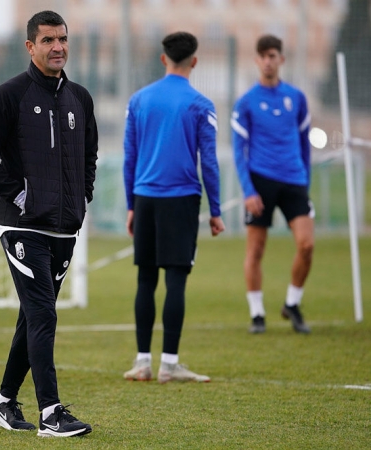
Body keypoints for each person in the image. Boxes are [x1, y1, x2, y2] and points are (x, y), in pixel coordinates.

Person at [0, 10, 98, 437]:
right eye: (48, 40)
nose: (58, 46)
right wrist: (22, 195)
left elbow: (88, 157)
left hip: (64, 228)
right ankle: (51, 414)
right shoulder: (8, 96)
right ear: (31, 47)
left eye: (62, 39)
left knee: (33, 316)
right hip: (23, 227)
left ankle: (3, 402)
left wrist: (82, 197)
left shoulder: (81, 97)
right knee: (44, 315)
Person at [123, 31, 225, 384]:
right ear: (194, 61)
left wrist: (130, 204)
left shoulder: (138, 100)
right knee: (176, 281)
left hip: (145, 198)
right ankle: (169, 364)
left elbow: (130, 157)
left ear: (163, 58)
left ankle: (141, 363)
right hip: (181, 200)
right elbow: (208, 162)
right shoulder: (201, 104)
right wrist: (216, 210)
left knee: (145, 279)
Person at [230, 34, 314, 334]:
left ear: (281, 59)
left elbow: (305, 145)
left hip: (294, 181)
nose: (268, 60)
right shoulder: (247, 102)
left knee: (307, 245)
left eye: (273, 55)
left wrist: (306, 181)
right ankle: (257, 314)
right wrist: (248, 190)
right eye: (263, 55)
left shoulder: (297, 98)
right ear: (257, 60)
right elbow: (238, 150)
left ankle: (292, 304)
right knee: (255, 251)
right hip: (260, 182)